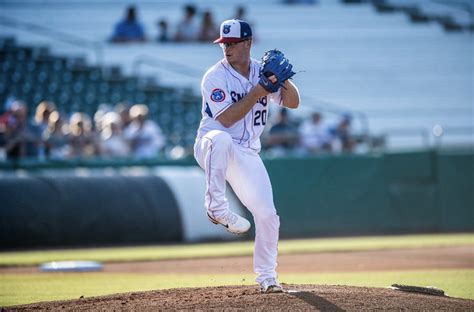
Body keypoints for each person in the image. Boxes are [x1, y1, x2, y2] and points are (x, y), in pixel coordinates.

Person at [193, 19, 300, 293]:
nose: (226, 48)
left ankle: (267, 278)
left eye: (232, 43)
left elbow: (293, 102)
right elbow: (226, 119)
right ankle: (216, 207)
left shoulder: (261, 72)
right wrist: (259, 90)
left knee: (267, 215)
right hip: (211, 144)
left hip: (247, 154)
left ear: (248, 44)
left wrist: (282, 81)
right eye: (223, 44)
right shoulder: (215, 76)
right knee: (221, 138)